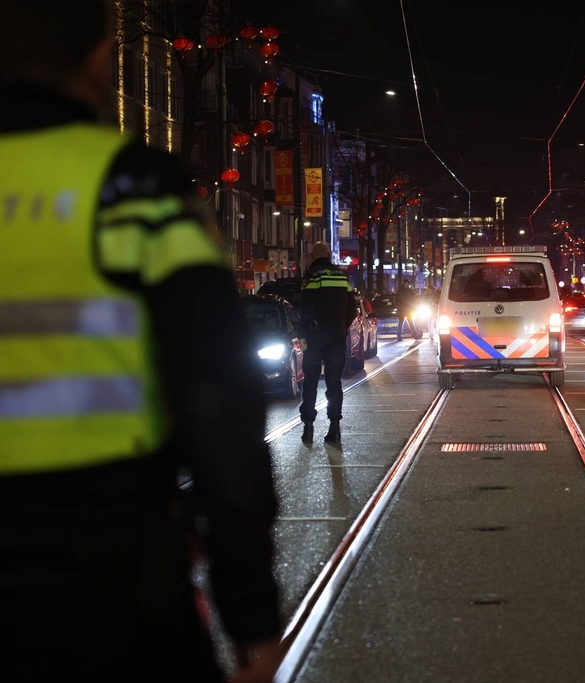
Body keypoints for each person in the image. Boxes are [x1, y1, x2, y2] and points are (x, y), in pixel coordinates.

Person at [0, 3, 283, 681]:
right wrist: (251, 613)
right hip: (115, 575)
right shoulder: (141, 192)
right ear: (101, 58)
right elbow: (221, 406)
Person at [298, 241, 358, 443]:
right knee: (334, 383)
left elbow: (307, 308)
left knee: (311, 381)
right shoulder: (342, 277)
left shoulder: (313, 275)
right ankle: (335, 427)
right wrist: (343, 325)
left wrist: (302, 334)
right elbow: (352, 308)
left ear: (314, 255)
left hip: (316, 337)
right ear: (329, 255)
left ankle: (308, 427)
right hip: (336, 336)